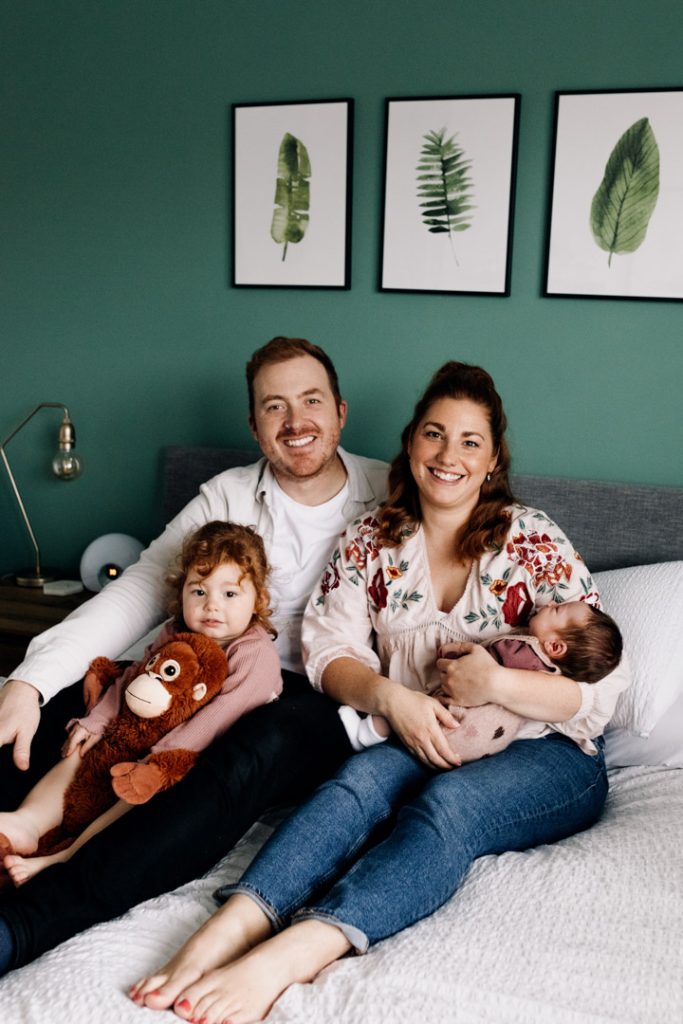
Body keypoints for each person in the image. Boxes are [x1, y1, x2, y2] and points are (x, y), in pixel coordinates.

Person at [128, 360, 630, 1024]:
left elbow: (600, 689)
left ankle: (299, 949)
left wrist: (498, 681)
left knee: (449, 805)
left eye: (469, 441)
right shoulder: (371, 540)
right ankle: (234, 925)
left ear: (491, 461)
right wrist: (393, 700)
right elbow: (328, 652)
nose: (447, 455)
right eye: (433, 434)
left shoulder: (530, 540)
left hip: (549, 750)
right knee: (353, 786)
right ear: (410, 444)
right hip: (419, 726)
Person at [0, 337, 387, 976]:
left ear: (341, 412)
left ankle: (29, 921)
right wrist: (28, 682)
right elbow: (138, 591)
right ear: (254, 424)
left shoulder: (390, 493)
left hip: (315, 699)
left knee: (237, 754)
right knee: (83, 709)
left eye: (311, 401)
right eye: (274, 406)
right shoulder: (226, 496)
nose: (296, 422)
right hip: (197, 668)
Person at [0, 521, 282, 886]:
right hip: (150, 728)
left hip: (188, 753)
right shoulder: (175, 631)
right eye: (198, 591)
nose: (211, 606)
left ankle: (68, 854)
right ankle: (27, 821)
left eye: (230, 595)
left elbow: (215, 720)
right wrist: (98, 721)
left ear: (257, 600)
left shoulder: (254, 654)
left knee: (136, 795)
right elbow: (133, 676)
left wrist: (156, 761)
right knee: (84, 747)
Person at [339, 600, 623, 759]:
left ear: (556, 647)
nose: (549, 603)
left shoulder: (525, 653)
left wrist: (460, 656)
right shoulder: (550, 670)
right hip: (487, 742)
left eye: (557, 610)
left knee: (421, 708)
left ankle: (368, 733)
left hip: (468, 715)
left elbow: (484, 660)